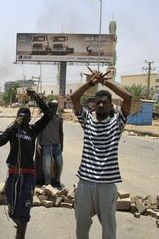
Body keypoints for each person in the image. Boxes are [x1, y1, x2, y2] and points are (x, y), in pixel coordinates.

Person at [70, 69, 132, 239]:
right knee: (81, 228)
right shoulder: (87, 120)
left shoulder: (117, 123)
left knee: (109, 230)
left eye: (105, 102)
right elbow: (74, 98)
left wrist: (105, 82)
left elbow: (128, 98)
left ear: (111, 105)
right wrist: (91, 83)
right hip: (84, 185)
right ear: (94, 104)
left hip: (107, 186)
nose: (101, 105)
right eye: (98, 102)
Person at [0, 89, 52, 239]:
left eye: (26, 115)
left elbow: (48, 114)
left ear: (29, 117)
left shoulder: (33, 130)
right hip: (13, 174)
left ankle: (20, 235)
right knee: (12, 209)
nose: (23, 117)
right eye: (20, 115)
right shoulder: (12, 129)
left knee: (25, 209)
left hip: (28, 175)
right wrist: (13, 127)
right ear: (16, 117)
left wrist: (35, 97)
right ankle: (19, 225)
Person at [37, 99, 64, 188]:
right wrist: (38, 143)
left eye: (56, 107)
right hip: (46, 144)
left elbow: (61, 132)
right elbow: (39, 131)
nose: (55, 109)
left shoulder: (59, 118)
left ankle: (57, 180)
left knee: (59, 163)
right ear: (49, 107)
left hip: (57, 145)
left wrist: (62, 144)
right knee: (47, 165)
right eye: (53, 107)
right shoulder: (43, 117)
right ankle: (47, 183)